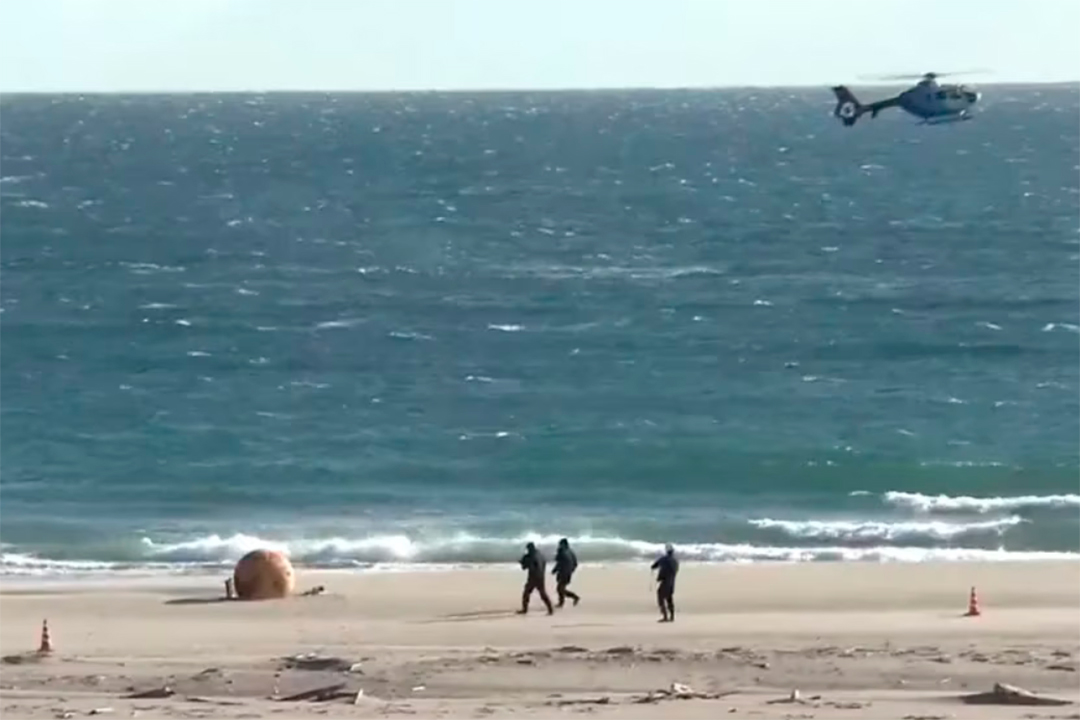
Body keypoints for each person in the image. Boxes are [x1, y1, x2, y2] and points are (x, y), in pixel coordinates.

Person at [518, 541, 554, 615]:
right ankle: (550, 609)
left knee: (526, 593)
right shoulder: (540, 554)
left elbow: (526, 567)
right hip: (541, 576)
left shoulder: (531, 556)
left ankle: (525, 610)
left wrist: (522, 562)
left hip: (533, 577)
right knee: (543, 593)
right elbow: (543, 564)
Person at [650, 543, 679, 622]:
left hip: (665, 581)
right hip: (672, 582)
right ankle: (672, 616)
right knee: (669, 598)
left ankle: (665, 616)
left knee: (660, 596)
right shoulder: (675, 561)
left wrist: (659, 577)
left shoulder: (664, 559)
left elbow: (655, 565)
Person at [552, 538, 581, 608]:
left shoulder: (561, 552)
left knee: (560, 589)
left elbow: (558, 562)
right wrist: (571, 570)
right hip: (568, 573)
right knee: (561, 588)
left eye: (560, 544)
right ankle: (561, 602)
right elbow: (575, 563)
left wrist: (554, 570)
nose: (559, 546)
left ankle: (574, 597)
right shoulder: (571, 552)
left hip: (563, 573)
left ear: (563, 545)